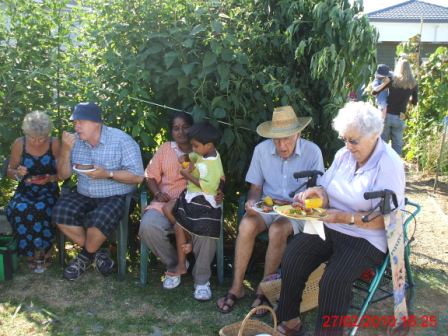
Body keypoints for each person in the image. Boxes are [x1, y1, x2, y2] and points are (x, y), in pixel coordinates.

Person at [275, 102, 405, 336]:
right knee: (293, 254)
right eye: (344, 139)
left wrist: (346, 217)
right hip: (332, 225)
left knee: (333, 281)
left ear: (375, 135)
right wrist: (317, 195)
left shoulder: (389, 164)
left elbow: (389, 219)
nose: (347, 146)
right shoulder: (343, 155)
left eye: (353, 141)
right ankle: (290, 320)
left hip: (367, 236)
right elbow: (327, 190)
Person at [217, 106, 324, 315]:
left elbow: (319, 193)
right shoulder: (262, 150)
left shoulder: (313, 152)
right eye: (277, 139)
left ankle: (264, 290)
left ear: (298, 133)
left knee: (278, 229)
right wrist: (251, 203)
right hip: (269, 206)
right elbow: (255, 189)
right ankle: (237, 287)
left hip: (297, 210)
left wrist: (303, 202)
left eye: (287, 139)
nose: (282, 145)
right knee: (246, 224)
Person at [52, 102, 144, 280]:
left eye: (80, 122)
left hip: (117, 195)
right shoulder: (74, 142)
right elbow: (63, 176)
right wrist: (65, 151)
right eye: (74, 122)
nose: (76, 126)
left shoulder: (121, 140)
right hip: (84, 193)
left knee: (98, 220)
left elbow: (138, 176)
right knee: (59, 213)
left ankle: (84, 257)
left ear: (96, 123)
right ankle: (99, 253)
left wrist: (108, 174)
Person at [139, 112, 223, 300]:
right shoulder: (165, 150)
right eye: (176, 128)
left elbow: (218, 178)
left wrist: (220, 190)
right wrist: (157, 192)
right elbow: (150, 175)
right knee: (148, 226)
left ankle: (201, 280)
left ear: (192, 129)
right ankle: (176, 264)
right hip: (166, 201)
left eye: (185, 127)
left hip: (196, 203)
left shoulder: (205, 151)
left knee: (207, 229)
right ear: (171, 131)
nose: (180, 131)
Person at [163, 122, 224, 282]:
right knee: (167, 209)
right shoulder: (203, 153)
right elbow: (194, 157)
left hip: (202, 199)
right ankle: (188, 241)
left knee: (178, 224)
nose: (193, 149)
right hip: (190, 195)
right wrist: (186, 158)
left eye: (195, 146)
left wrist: (187, 175)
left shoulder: (213, 164)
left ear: (208, 145)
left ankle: (183, 263)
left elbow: (207, 187)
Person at [6, 111, 61, 269]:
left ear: (48, 134)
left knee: (42, 208)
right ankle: (31, 252)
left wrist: (49, 178)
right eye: (32, 137)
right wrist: (17, 173)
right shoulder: (19, 144)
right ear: (26, 133)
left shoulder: (54, 143)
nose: (36, 142)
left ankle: (46, 250)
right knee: (17, 208)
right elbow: (9, 170)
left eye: (41, 138)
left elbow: (63, 174)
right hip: (25, 190)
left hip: (48, 190)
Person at [373, 59, 418, 155]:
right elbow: (414, 102)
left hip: (387, 114)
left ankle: (382, 165)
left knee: (383, 143)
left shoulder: (393, 80)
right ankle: (396, 167)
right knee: (397, 144)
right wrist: (406, 99)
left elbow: (375, 92)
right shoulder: (413, 83)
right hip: (400, 116)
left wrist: (384, 84)